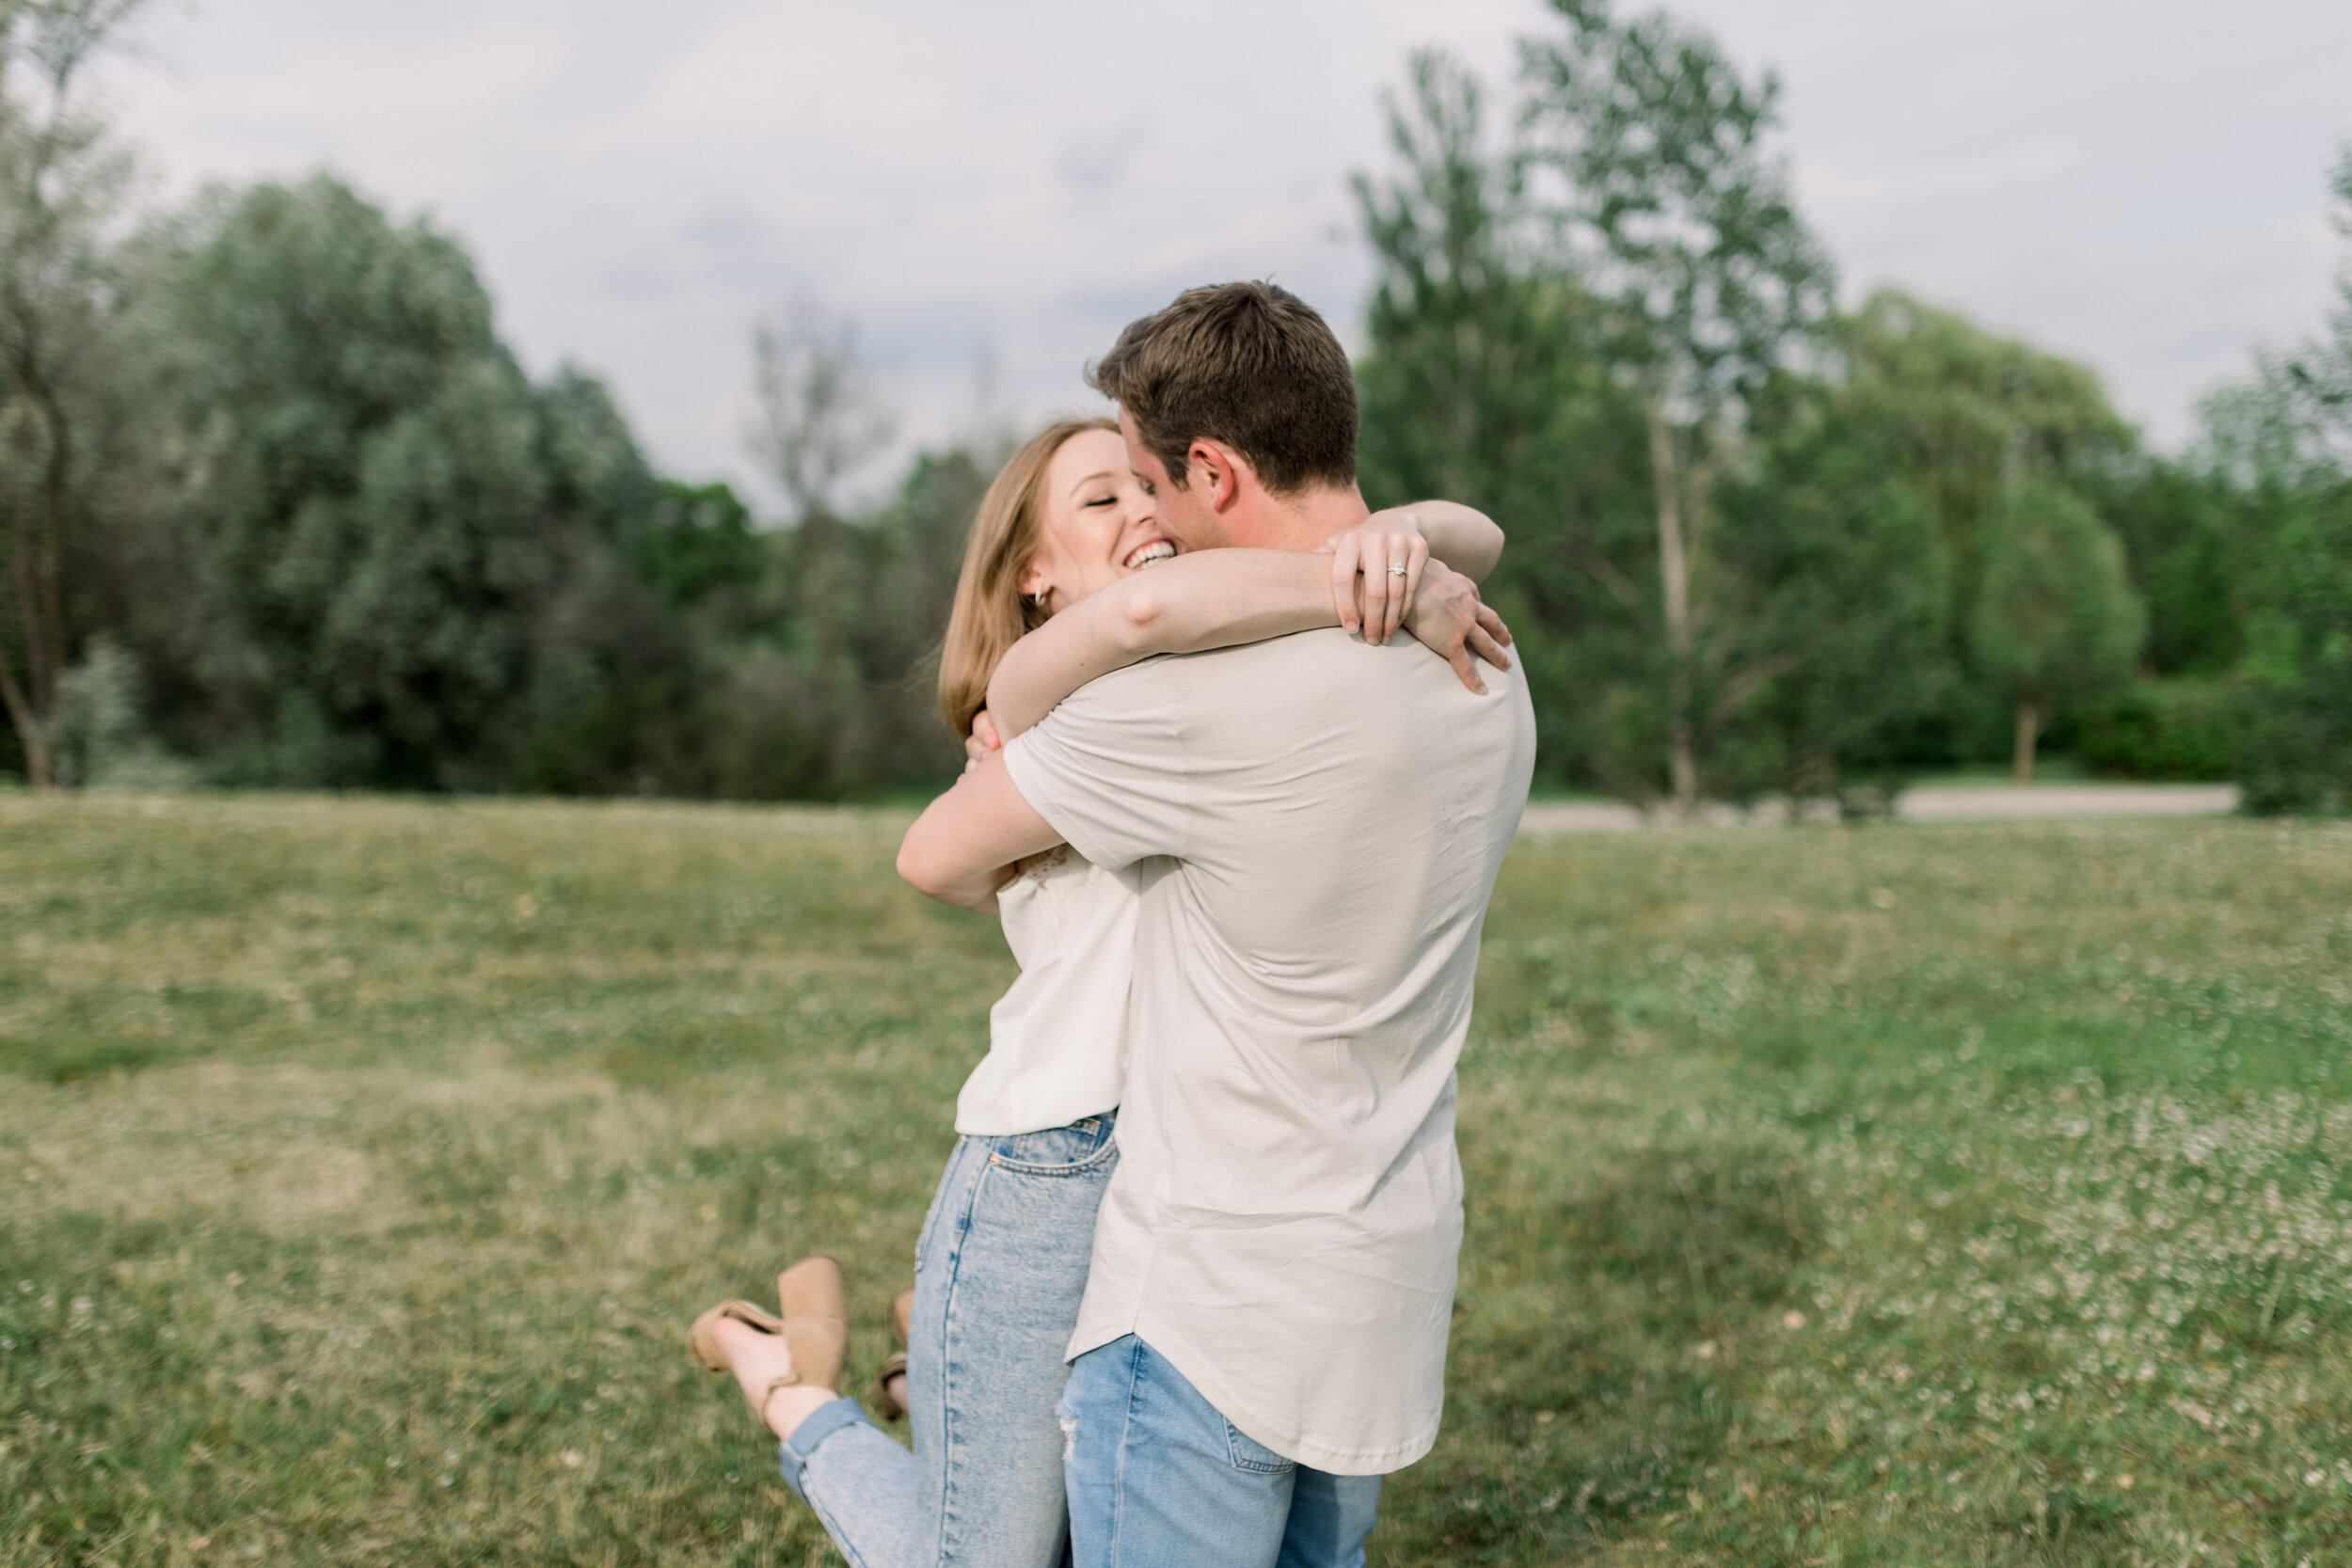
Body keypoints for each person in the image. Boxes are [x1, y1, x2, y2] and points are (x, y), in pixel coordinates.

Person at [689, 410, 1515, 1568]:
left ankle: (941, 1362)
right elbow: (934, 859)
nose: (1138, 511)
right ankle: (791, 1384)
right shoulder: (1054, 720)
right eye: (1096, 500)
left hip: (1195, 1187)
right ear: (1033, 572)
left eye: (1145, 485)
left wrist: (1388, 554)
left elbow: (1476, 530)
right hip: (1052, 1172)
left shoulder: (1223, 656)